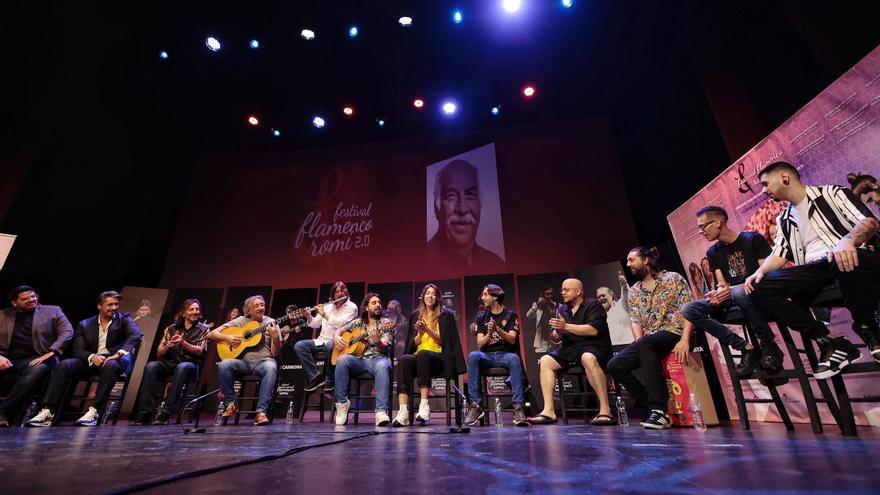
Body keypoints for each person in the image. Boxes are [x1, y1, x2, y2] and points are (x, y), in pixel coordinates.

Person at [745, 161, 880, 377]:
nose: (763, 190)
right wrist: (758, 273)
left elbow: (870, 223)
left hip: (856, 256)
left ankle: (867, 326)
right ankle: (830, 341)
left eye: (765, 183)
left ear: (784, 177)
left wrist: (847, 241)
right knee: (760, 287)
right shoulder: (784, 219)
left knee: (839, 256)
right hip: (817, 270)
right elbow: (779, 253)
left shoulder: (832, 193)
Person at [681, 206, 784, 376]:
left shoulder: (752, 239)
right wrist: (718, 293)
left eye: (702, 226)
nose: (700, 232)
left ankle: (768, 344)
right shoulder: (713, 252)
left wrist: (732, 290)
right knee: (689, 309)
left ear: (717, 222)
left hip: (757, 292)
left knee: (738, 292)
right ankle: (745, 347)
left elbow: (766, 275)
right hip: (734, 297)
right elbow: (722, 284)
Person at [607, 247, 694, 430]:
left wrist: (685, 339)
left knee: (646, 342)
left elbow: (689, 309)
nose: (628, 264)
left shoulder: (673, 279)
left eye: (632, 260)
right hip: (649, 340)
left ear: (645, 260)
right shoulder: (635, 291)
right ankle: (650, 405)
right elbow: (635, 320)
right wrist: (639, 342)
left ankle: (659, 411)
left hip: (673, 332)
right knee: (615, 364)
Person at [27, 291, 143, 427]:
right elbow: (78, 349)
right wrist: (92, 356)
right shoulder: (85, 324)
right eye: (109, 304)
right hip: (92, 359)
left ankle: (94, 411)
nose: (114, 307)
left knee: (111, 365)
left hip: (115, 359)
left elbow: (135, 334)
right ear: (99, 306)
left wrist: (119, 354)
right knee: (64, 364)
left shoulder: (124, 319)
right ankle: (48, 410)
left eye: (116, 304)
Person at [528, 278, 614, 426]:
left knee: (587, 357)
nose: (562, 292)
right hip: (571, 348)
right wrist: (557, 333)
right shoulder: (563, 309)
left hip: (594, 347)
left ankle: (605, 410)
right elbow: (558, 337)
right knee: (546, 361)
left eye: (566, 290)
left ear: (579, 291)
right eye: (562, 289)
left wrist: (566, 327)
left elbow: (593, 330)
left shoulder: (593, 305)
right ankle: (549, 411)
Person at [392, 284, 465, 427]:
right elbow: (413, 344)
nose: (430, 296)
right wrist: (420, 334)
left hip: (440, 358)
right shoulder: (416, 315)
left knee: (423, 355)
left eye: (433, 294)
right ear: (423, 296)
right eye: (427, 293)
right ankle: (403, 412)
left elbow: (444, 340)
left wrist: (427, 329)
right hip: (420, 357)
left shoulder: (446, 315)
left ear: (438, 297)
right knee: (404, 360)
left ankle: (424, 405)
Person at [0, 286, 74, 427]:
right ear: (14, 302)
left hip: (36, 358)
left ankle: (3, 410)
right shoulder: (3, 315)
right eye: (25, 298)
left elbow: (67, 332)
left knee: (38, 369)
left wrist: (53, 351)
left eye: (33, 296)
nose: (31, 300)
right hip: (7, 359)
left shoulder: (53, 311)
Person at [131, 298, 209, 425]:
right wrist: (169, 345)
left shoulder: (203, 329)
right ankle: (144, 413)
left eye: (197, 309)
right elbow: (159, 353)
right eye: (191, 309)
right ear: (183, 313)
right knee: (151, 366)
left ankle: (166, 412)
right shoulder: (171, 329)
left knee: (182, 367)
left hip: (190, 365)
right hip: (170, 364)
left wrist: (183, 343)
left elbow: (199, 350)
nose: (195, 312)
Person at [208, 295, 280, 426]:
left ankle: (261, 412)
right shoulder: (241, 321)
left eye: (262, 305)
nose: (260, 308)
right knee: (224, 365)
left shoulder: (271, 322)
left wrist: (275, 338)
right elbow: (212, 334)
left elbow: (275, 353)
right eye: (256, 306)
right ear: (248, 310)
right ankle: (231, 403)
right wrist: (228, 338)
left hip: (264, 362)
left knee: (271, 367)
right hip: (244, 363)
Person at [463, 284, 529, 427]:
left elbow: (512, 339)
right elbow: (480, 343)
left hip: (506, 355)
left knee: (514, 359)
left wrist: (498, 330)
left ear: (495, 297)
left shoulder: (510, 315)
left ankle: (518, 408)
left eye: (485, 294)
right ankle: (475, 405)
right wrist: (489, 333)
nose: (483, 298)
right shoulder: (481, 317)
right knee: (473, 356)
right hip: (488, 356)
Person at [427, 159, 505, 274]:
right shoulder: (422, 260)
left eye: (470, 195)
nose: (462, 209)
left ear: (480, 204)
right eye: (451, 195)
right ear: (436, 208)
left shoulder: (498, 265)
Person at [333, 293, 394, 426]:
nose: (378, 304)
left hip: (377, 359)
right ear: (366, 307)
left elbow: (384, 349)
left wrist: (378, 341)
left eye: (379, 302)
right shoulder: (357, 323)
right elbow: (339, 331)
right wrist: (337, 337)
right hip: (358, 361)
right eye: (374, 303)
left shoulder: (385, 323)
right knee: (342, 360)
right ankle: (342, 404)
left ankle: (380, 411)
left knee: (382, 366)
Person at [296, 281, 358, 393]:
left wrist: (324, 314)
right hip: (321, 341)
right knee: (299, 346)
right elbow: (315, 324)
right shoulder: (328, 306)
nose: (340, 293)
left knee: (330, 344)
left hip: (339, 341)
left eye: (342, 290)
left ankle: (330, 379)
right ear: (333, 295)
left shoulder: (352, 307)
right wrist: (308, 315)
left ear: (346, 292)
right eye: (337, 291)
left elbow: (341, 324)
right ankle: (316, 377)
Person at [597, 271, 633, 345]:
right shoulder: (600, 316)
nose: (601, 298)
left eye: (603, 295)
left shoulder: (621, 305)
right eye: (598, 297)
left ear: (611, 295)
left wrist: (624, 286)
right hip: (613, 349)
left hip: (628, 344)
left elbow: (626, 296)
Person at [526, 286, 558, 353]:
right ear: (543, 295)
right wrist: (537, 304)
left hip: (555, 341)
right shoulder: (538, 306)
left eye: (551, 294)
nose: (550, 296)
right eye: (547, 294)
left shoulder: (557, 306)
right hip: (542, 341)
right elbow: (529, 316)